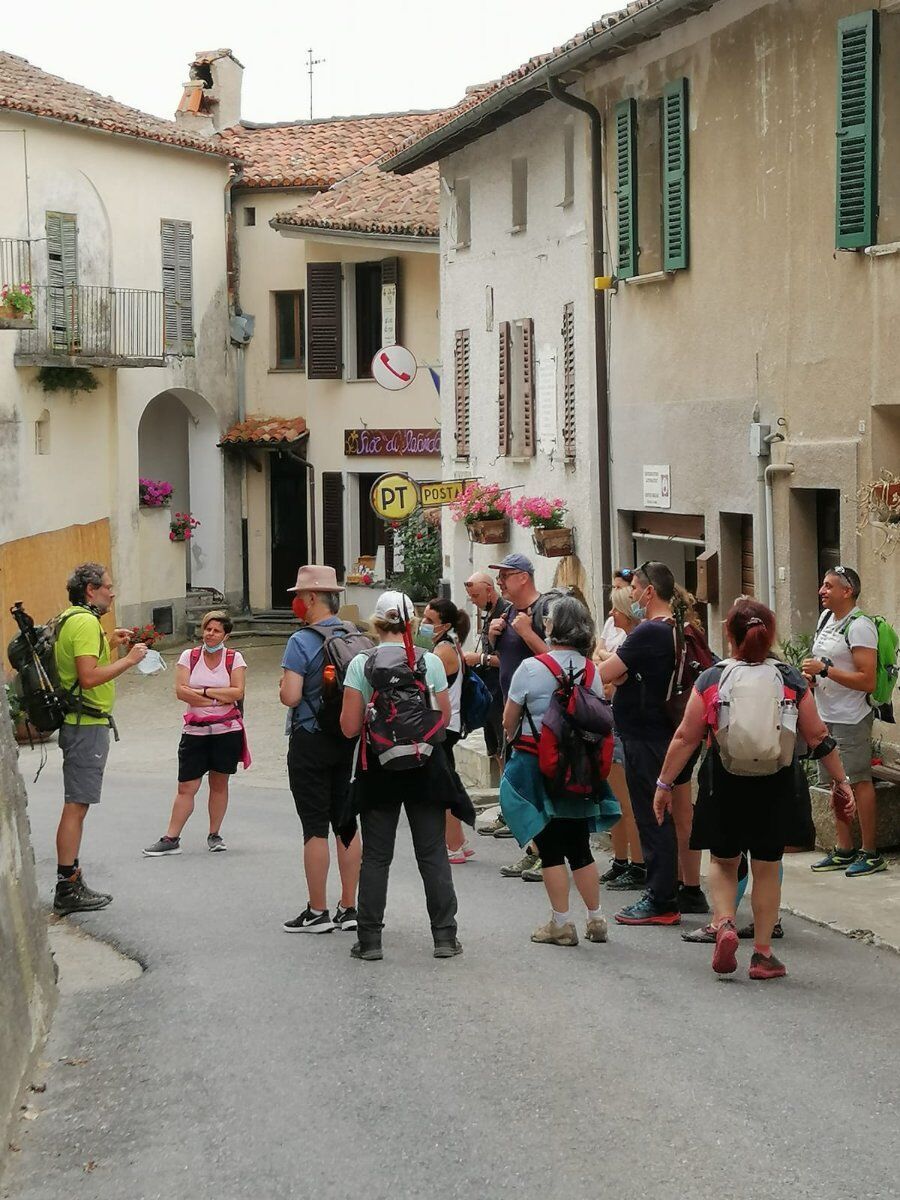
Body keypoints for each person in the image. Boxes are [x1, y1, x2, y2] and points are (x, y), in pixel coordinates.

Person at [653, 598, 853, 980]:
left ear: (729, 635)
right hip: (776, 782)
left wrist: (664, 783)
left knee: (723, 861)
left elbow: (685, 737)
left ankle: (726, 921)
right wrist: (842, 782)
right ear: (770, 634)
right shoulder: (790, 678)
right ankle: (762, 955)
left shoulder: (712, 679)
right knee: (766, 867)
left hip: (724, 780)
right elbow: (817, 736)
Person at [340, 591, 469, 962]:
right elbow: (443, 719)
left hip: (378, 767)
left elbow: (349, 728)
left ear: (376, 621)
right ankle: (445, 937)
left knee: (376, 857)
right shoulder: (429, 661)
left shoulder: (361, 663)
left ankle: (370, 941)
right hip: (425, 765)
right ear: (412, 622)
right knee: (432, 853)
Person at [499, 595, 620, 947]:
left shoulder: (530, 669)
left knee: (551, 848)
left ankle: (562, 924)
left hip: (537, 764)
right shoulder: (591, 671)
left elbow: (509, 720)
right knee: (580, 846)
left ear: (554, 627)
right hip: (579, 767)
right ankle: (596, 918)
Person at [53, 562, 148, 914]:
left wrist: (109, 644)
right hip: (85, 725)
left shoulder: (71, 618)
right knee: (76, 805)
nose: (113, 592)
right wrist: (131, 660)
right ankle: (67, 885)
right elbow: (88, 677)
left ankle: (70, 879)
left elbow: (82, 669)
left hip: (82, 722)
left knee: (77, 804)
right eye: (108, 586)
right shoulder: (84, 622)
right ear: (90, 590)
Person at [596, 561, 685, 925]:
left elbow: (604, 673)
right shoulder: (674, 628)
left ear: (649, 591)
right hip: (657, 732)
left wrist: (615, 672)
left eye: (634, 587)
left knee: (653, 817)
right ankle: (666, 892)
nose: (630, 594)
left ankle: (661, 899)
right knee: (659, 814)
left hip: (644, 736)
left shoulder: (649, 631)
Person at [280, 566, 363, 934]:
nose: (297, 602)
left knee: (314, 826)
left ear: (312, 598)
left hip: (310, 739)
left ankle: (317, 911)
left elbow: (291, 696)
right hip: (347, 737)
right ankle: (350, 906)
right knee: (346, 822)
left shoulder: (301, 641)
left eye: (299, 596)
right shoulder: (354, 634)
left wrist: (282, 687)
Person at [143, 611, 248, 858]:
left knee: (219, 783)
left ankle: (214, 834)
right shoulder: (188, 656)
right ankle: (171, 838)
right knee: (187, 785)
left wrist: (201, 692)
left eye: (216, 631)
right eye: (207, 629)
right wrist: (218, 696)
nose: (210, 634)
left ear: (226, 636)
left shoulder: (234, 658)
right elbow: (181, 692)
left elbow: (237, 692)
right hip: (195, 732)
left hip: (226, 731)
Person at [802, 566, 885, 877]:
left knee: (858, 781)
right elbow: (824, 663)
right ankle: (844, 848)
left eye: (828, 586)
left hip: (851, 717)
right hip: (825, 715)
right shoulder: (826, 619)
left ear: (847, 592)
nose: (822, 591)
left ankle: (871, 852)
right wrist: (813, 677)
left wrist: (825, 670)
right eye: (823, 585)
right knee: (836, 782)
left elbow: (867, 680)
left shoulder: (860, 626)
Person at [487, 553, 551, 872]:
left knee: (533, 787)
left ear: (523, 577)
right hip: (513, 712)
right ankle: (536, 849)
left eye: (505, 576)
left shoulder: (544, 610)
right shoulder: (509, 611)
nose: (500, 582)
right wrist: (492, 637)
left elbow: (556, 658)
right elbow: (505, 659)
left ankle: (546, 854)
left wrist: (527, 632)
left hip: (539, 717)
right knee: (521, 787)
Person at [592, 585, 646, 891]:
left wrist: (605, 663)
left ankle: (638, 864)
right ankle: (622, 860)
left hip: (623, 724)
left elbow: (606, 680)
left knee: (627, 802)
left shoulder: (634, 642)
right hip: (615, 721)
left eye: (615, 608)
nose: (611, 613)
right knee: (615, 799)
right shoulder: (623, 637)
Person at [420, 596, 475, 864]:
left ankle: (453, 845)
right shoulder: (447, 645)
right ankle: (459, 841)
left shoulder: (442, 652)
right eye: (424, 617)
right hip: (448, 723)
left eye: (430, 620)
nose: (423, 623)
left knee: (443, 787)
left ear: (445, 625)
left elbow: (420, 677)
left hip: (444, 725)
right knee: (448, 780)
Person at [462, 571, 508, 765]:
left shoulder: (505, 614)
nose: (473, 601)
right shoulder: (489, 613)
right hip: (490, 691)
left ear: (489, 590)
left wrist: (480, 658)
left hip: (503, 691)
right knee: (494, 748)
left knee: (504, 747)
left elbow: (510, 660)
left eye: (476, 596)